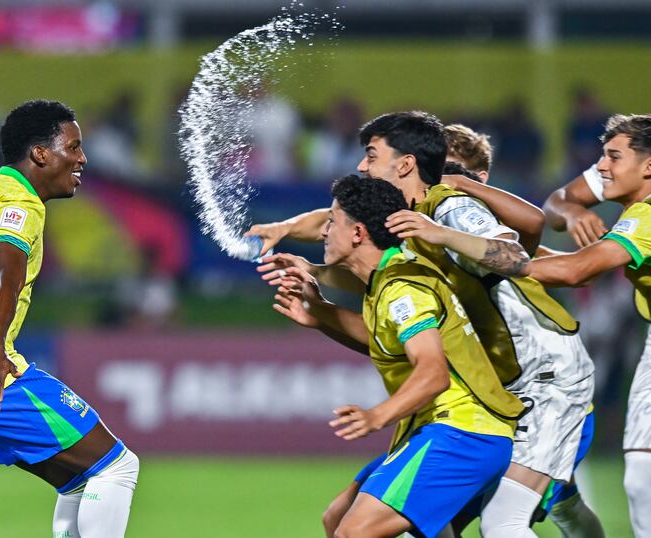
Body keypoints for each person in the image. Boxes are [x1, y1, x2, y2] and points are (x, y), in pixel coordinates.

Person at [251, 112, 594, 537]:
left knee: (503, 524)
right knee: (353, 520)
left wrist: (446, 227)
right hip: (490, 387)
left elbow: (515, 254)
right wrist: (296, 253)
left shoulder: (447, 209)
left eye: (371, 156)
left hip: (540, 376)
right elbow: (335, 219)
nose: (362, 165)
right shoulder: (397, 243)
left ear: (405, 164)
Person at [0, 100, 138, 538]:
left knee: (79, 477)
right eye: (73, 147)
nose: (82, 159)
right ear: (40, 154)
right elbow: (6, 274)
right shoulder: (20, 203)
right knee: (117, 467)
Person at [273, 174, 522, 538]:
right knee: (337, 519)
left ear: (358, 233)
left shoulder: (403, 289)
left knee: (353, 532)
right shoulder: (388, 277)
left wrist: (378, 416)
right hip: (445, 431)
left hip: (463, 433)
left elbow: (434, 373)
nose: (325, 231)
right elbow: (383, 340)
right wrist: (321, 313)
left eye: (332, 221)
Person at [444, 125, 603, 538]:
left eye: (450, 170)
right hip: (499, 390)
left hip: (546, 383)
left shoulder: (485, 231)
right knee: (559, 502)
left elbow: (557, 263)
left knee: (503, 521)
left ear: (477, 179)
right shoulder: (432, 227)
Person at [527, 114, 651, 538]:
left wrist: (483, 261)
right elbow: (556, 202)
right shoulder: (623, 172)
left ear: (648, 166)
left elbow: (578, 270)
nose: (601, 166)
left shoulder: (647, 215)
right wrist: (573, 211)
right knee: (641, 473)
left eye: (612, 157)